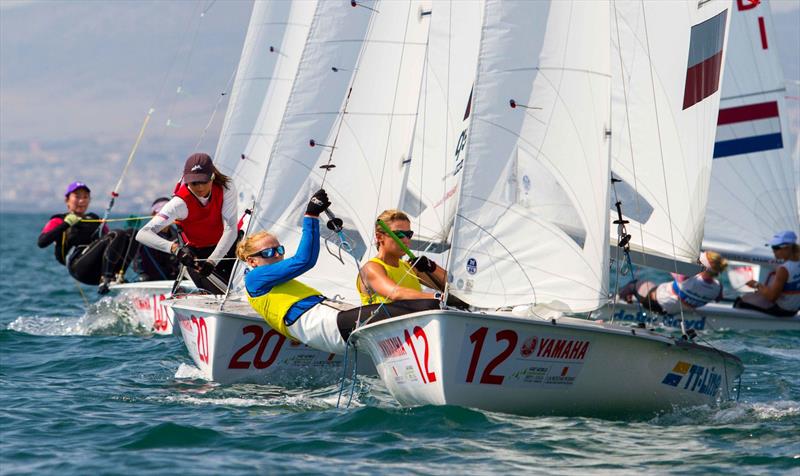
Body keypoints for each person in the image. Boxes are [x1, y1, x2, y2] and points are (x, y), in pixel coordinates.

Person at [238, 191, 441, 353]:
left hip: (334, 323)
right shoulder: (255, 279)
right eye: (268, 252)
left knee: (423, 306)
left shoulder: (277, 282)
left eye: (279, 249)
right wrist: (311, 216)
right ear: (252, 261)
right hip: (329, 327)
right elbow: (304, 260)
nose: (276, 255)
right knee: (427, 304)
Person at [136, 153, 238, 294]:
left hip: (226, 248)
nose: (200, 187)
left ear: (212, 177)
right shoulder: (179, 203)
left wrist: (213, 261)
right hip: (197, 256)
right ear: (186, 180)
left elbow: (231, 228)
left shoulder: (226, 187)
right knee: (221, 294)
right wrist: (175, 249)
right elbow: (142, 234)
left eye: (204, 181)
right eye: (194, 182)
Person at [38, 181, 133, 294]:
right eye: (77, 196)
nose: (82, 200)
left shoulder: (94, 219)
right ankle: (106, 278)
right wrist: (66, 224)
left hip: (99, 266)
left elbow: (113, 241)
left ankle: (118, 276)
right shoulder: (58, 220)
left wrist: (128, 230)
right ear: (67, 200)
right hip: (78, 267)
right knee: (117, 234)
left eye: (85, 197)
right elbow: (41, 242)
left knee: (133, 234)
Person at [356, 209, 448, 304]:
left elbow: (453, 288)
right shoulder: (371, 268)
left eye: (409, 235)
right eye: (399, 235)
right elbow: (395, 293)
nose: (405, 240)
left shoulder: (410, 269)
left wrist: (432, 267)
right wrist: (436, 297)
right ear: (379, 237)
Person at [618, 251, 728, 315]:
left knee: (634, 284)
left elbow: (671, 265)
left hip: (653, 302)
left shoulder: (686, 278)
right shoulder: (718, 287)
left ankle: (616, 301)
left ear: (702, 266)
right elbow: (718, 299)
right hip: (672, 311)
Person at [734, 230, 800, 317]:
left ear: (787, 248)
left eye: (776, 248)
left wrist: (756, 284)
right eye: (772, 248)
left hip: (782, 311)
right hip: (794, 310)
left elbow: (772, 297)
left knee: (740, 301)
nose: (773, 251)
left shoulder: (784, 269)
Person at [131, 197, 180, 281]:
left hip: (172, 277)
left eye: (169, 213)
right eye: (161, 213)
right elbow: (138, 262)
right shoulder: (145, 235)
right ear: (153, 215)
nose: (166, 217)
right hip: (150, 278)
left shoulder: (178, 234)